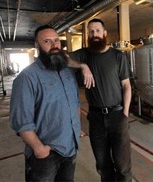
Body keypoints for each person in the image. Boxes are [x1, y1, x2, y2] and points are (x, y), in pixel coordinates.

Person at [9, 25, 85, 181]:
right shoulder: (27, 77)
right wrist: (39, 148)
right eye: (47, 41)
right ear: (37, 45)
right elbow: (21, 121)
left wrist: (76, 131)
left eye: (56, 40)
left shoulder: (67, 72)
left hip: (70, 148)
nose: (54, 45)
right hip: (46, 155)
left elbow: (75, 103)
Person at [69, 18, 132, 182]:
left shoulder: (118, 56)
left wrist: (125, 113)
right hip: (95, 118)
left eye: (97, 30)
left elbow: (126, 86)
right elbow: (62, 58)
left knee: (122, 164)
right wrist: (82, 66)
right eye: (90, 31)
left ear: (104, 33)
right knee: (102, 164)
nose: (94, 34)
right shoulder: (83, 54)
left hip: (117, 115)